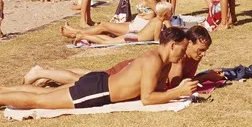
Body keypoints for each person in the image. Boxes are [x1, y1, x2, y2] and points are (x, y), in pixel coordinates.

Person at [0, 27, 196, 111]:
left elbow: (153, 91)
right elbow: (147, 98)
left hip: (100, 83)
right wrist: (177, 93)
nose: (183, 53)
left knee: (45, 93)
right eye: (183, 49)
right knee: (39, 102)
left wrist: (175, 88)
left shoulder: (163, 62)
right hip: (98, 91)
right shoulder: (153, 60)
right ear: (172, 45)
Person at [24, 25, 215, 90]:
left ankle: (46, 74)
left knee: (92, 76)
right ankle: (41, 72)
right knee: (86, 80)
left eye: (204, 50)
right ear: (188, 43)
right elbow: (174, 84)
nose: (202, 54)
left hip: (135, 69)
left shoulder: (192, 55)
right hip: (131, 70)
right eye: (200, 49)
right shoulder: (179, 56)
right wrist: (204, 78)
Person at [73, 1, 172, 45]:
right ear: (166, 14)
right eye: (170, 12)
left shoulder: (155, 20)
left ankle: (83, 35)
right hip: (133, 38)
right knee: (106, 42)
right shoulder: (158, 22)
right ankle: (83, 37)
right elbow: (156, 40)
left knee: (109, 40)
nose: (171, 14)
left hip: (133, 36)